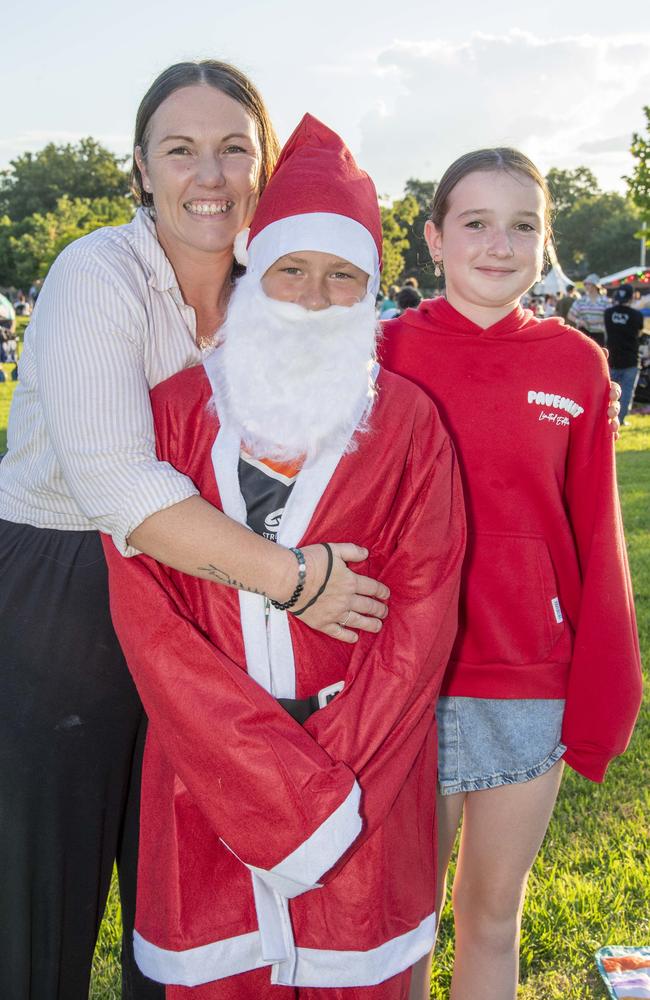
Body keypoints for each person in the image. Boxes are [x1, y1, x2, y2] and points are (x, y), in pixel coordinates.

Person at [0, 63, 388, 1000]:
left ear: (262, 168)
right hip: (67, 593)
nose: (207, 175)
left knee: (182, 895)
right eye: (180, 151)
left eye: (232, 150)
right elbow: (116, 484)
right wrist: (297, 580)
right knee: (38, 895)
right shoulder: (98, 272)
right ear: (140, 168)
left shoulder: (274, 285)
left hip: (210, 601)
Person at [102, 115, 465, 998]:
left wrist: (329, 781)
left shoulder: (411, 425)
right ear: (254, 273)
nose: (311, 297)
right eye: (291, 271)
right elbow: (149, 615)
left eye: (343, 277)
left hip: (366, 776)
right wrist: (261, 778)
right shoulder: (174, 413)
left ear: (371, 287)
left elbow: (421, 619)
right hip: (204, 774)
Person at [380, 147, 642, 1000]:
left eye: (523, 226)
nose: (500, 245)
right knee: (399, 922)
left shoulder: (574, 364)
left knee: (492, 915)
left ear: (545, 243)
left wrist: (608, 687)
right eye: (476, 223)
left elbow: (596, 535)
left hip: (527, 685)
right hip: (400, 681)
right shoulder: (380, 352)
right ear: (434, 238)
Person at [604, 285, 644, 423]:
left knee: (608, 392)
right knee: (626, 392)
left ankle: (606, 417)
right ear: (632, 296)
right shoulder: (636, 315)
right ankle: (620, 420)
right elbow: (639, 333)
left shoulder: (608, 313)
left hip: (612, 358)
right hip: (630, 358)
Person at [567, 273, 609, 347]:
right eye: (585, 284)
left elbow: (609, 317)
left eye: (588, 284)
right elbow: (570, 315)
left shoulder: (605, 301)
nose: (586, 286)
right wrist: (578, 321)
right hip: (584, 334)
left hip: (599, 334)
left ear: (595, 285)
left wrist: (598, 321)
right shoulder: (581, 301)